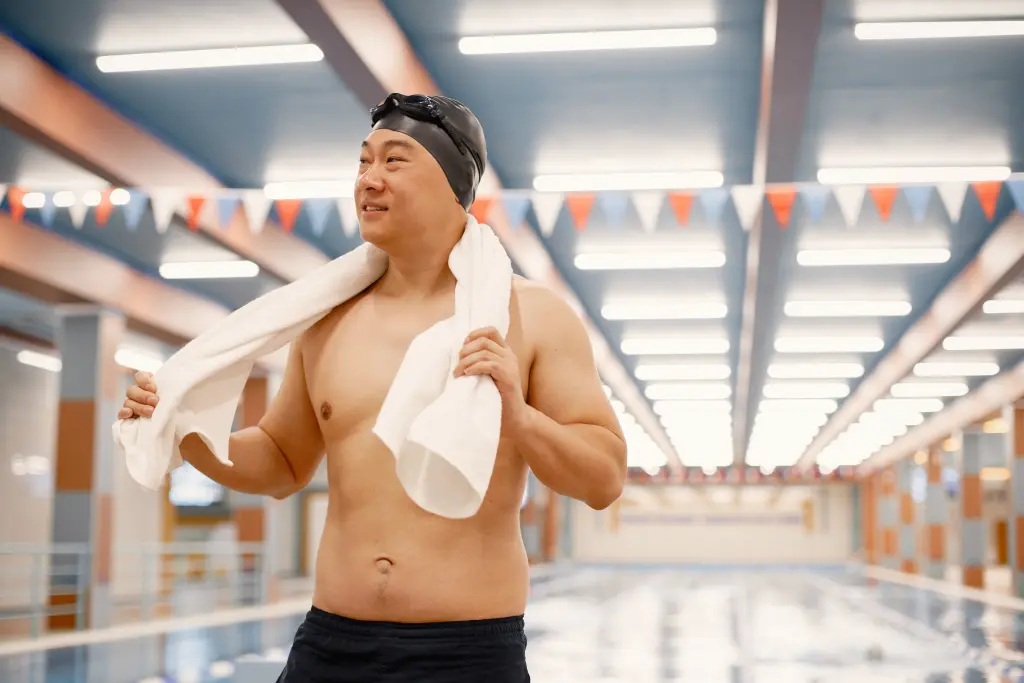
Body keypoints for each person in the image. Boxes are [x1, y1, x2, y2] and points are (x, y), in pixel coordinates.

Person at [117, 93, 627, 682]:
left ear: (452, 179)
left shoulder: (531, 317)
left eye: (395, 160)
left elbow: (604, 478)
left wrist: (517, 414)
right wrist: (182, 429)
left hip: (468, 654)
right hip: (332, 644)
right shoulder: (328, 320)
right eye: (363, 162)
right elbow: (282, 461)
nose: (369, 179)